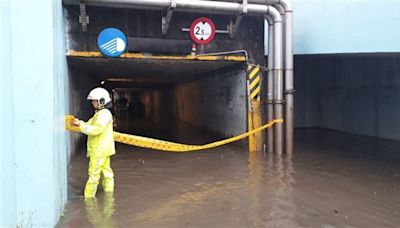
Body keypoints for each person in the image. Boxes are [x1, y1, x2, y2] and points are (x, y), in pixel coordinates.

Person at [72, 87, 116, 198]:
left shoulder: (103, 115)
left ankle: (89, 200)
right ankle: (109, 196)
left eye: (94, 101)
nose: (92, 103)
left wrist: (81, 126)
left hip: (98, 151)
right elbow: (89, 124)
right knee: (107, 174)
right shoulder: (100, 114)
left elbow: (96, 130)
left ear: (101, 101)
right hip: (104, 149)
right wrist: (79, 123)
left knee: (93, 176)